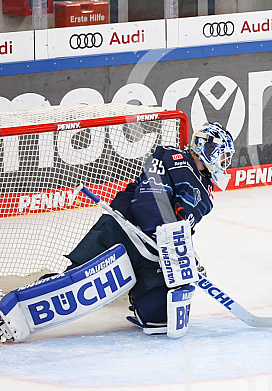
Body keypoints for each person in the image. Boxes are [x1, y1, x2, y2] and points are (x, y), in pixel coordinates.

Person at [0, 122, 235, 342]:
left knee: (159, 317)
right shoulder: (171, 157)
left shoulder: (205, 190)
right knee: (70, 286)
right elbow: (151, 197)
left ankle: (130, 290)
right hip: (123, 232)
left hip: (152, 253)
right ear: (208, 148)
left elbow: (182, 226)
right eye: (222, 154)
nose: (225, 161)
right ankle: (18, 302)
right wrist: (163, 237)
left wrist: (184, 255)